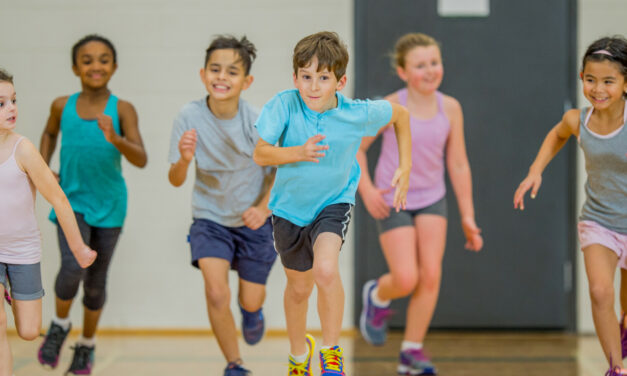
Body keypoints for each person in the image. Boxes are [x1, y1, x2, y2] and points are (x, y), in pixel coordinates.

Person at [253, 31, 412, 376]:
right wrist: (299, 152)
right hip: (288, 210)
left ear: (339, 81)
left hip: (333, 203)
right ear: (295, 77)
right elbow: (260, 153)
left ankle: (331, 351)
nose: (313, 86)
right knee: (298, 289)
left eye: (322, 78)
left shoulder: (358, 113)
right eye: (306, 77)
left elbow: (401, 116)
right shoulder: (284, 104)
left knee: (325, 270)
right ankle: (299, 356)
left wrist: (406, 164)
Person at [357, 32, 483, 375]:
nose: (430, 71)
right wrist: (366, 190)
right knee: (407, 277)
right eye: (420, 65)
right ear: (402, 72)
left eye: (434, 63)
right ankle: (378, 296)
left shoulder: (451, 108)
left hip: (432, 198)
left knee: (430, 276)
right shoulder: (390, 107)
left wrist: (468, 216)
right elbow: (357, 149)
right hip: (393, 196)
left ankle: (411, 351)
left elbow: (458, 163)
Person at [514, 35, 627, 376]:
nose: (598, 89)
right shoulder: (580, 120)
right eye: (590, 80)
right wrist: (535, 171)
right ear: (581, 78)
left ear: (625, 83)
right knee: (599, 291)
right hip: (599, 220)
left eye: (608, 81)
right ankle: (616, 368)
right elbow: (558, 134)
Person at [37, 34, 147, 375]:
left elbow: (141, 158)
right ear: (75, 67)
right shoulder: (61, 105)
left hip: (111, 206)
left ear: (114, 66)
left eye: (103, 59)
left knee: (96, 282)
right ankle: (58, 324)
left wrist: (115, 138)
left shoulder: (123, 109)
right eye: (87, 60)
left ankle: (86, 345)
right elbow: (49, 134)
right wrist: (44, 169)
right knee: (72, 269)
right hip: (72, 202)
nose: (95, 66)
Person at [168, 35, 277, 376]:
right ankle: (235, 364)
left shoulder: (258, 121)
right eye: (215, 69)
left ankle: (252, 312)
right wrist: (185, 159)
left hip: (254, 221)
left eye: (232, 72)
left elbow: (280, 174)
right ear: (203, 74)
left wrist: (263, 208)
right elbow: (174, 178)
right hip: (209, 218)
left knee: (249, 299)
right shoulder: (189, 116)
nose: (222, 77)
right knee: (216, 293)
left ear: (247, 81)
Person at [0, 68, 96, 376]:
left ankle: (10, 291)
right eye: (0, 103)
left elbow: (58, 199)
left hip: (22, 251)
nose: (11, 108)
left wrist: (79, 247)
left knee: (28, 330)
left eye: (13, 100)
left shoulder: (23, 149)